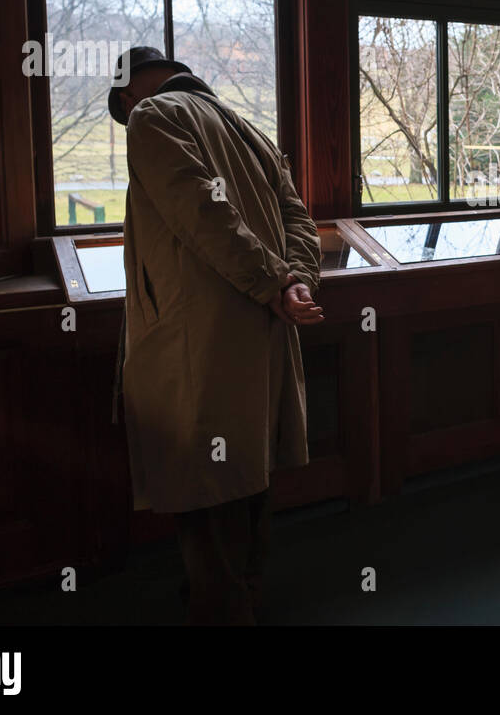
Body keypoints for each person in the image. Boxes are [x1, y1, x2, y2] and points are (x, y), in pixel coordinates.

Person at [108, 46, 324, 624]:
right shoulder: (250, 130)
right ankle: (242, 596)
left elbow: (204, 214)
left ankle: (223, 610)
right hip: (262, 327)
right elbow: (299, 219)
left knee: (204, 486)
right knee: (247, 476)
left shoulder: (152, 119)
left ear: (130, 95)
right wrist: (294, 283)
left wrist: (275, 282)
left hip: (195, 342)